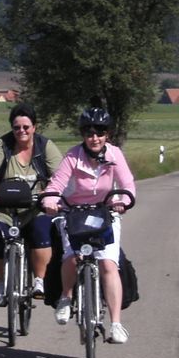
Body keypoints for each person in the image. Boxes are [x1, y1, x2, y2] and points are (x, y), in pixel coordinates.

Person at [42, 106, 136, 344]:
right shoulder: (73, 156)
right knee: (71, 257)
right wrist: (51, 201)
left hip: (105, 213)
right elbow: (56, 184)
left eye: (100, 132)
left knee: (108, 264)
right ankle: (66, 297)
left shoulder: (115, 155)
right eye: (90, 133)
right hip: (74, 214)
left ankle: (116, 324)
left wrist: (123, 202)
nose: (95, 138)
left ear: (108, 134)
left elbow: (127, 183)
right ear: (83, 135)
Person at [0, 103, 63, 305]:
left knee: (42, 233)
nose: (21, 131)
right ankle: (2, 283)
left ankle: (39, 280)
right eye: (16, 128)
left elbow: (60, 174)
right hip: (4, 206)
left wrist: (52, 195)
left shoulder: (44, 146)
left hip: (35, 206)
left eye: (26, 127)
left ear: (35, 127)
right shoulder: (1, 145)